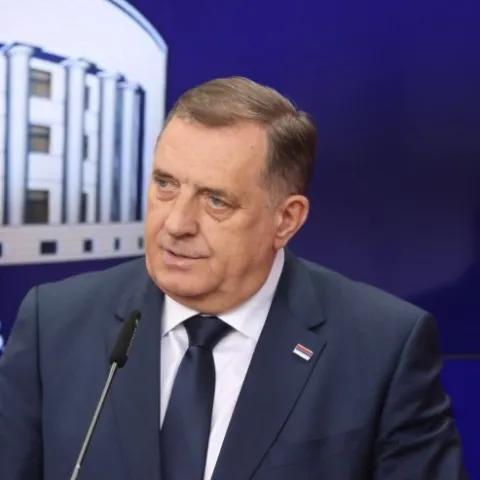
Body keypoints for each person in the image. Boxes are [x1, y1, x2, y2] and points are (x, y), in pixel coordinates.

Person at [0, 77, 467, 480]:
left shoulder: (382, 348)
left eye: (216, 201)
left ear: (286, 220)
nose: (176, 223)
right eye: (165, 184)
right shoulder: (55, 323)